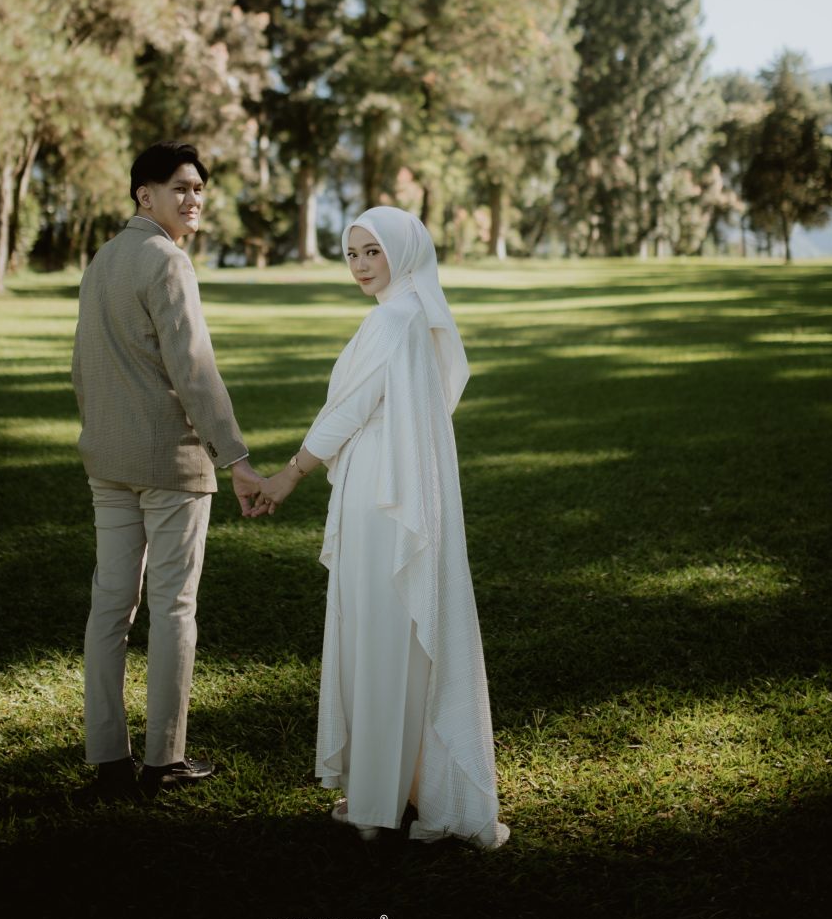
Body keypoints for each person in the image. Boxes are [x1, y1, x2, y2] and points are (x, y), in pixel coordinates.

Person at [256, 206, 508, 849]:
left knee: (378, 636)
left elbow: (345, 413)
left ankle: (374, 804)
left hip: (381, 493)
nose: (362, 265)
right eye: (353, 253)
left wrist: (287, 476)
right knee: (398, 639)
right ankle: (400, 789)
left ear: (404, 251)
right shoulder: (420, 313)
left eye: (374, 251)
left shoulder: (392, 320)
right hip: (405, 485)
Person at [72, 141, 265, 800]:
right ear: (144, 195)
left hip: (107, 459)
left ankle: (107, 760)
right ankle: (164, 759)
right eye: (180, 187)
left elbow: (82, 366)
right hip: (169, 463)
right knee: (173, 607)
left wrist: (100, 430)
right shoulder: (168, 260)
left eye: (199, 189)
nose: (193, 199)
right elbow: (195, 370)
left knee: (110, 606)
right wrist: (235, 458)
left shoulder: (102, 260)